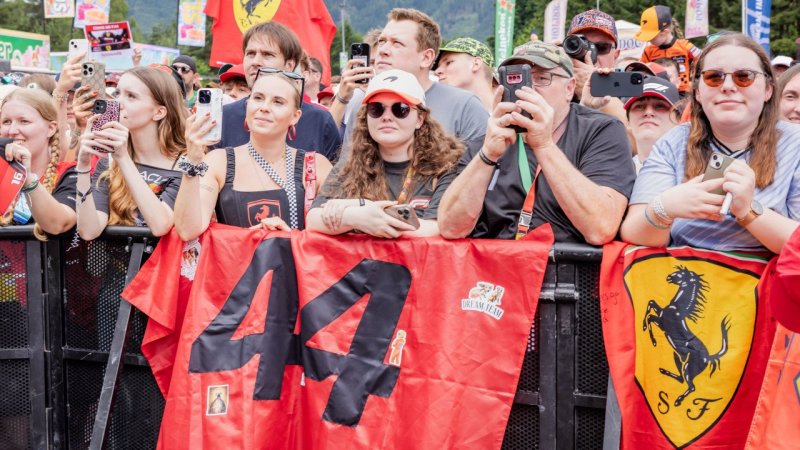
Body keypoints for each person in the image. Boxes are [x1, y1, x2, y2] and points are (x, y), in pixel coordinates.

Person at [437, 42, 636, 244]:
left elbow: (601, 228)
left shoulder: (601, 130)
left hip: (565, 271)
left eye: (541, 78)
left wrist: (544, 145)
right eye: (517, 78)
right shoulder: (490, 138)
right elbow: (451, 227)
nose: (527, 89)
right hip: (494, 270)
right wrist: (487, 156)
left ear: (569, 89)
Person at [620, 34, 800, 254]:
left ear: (768, 90)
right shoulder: (674, 142)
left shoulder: (795, 144)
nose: (727, 86)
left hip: (765, 284)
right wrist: (664, 208)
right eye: (714, 77)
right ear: (697, 92)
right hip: (684, 280)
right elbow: (632, 231)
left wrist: (748, 211)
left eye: (744, 77)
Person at [174, 68, 332, 240]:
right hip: (235, 265)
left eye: (278, 102)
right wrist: (192, 160)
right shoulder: (218, 161)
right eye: (258, 98)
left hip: (296, 265)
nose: (264, 107)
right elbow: (187, 230)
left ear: (295, 116)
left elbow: (334, 240)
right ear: (247, 105)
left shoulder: (316, 166)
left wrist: (293, 239)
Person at [306, 70, 462, 238]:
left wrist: (366, 216)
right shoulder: (350, 165)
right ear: (366, 117)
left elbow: (437, 227)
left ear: (420, 119)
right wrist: (356, 216)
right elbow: (313, 220)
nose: (386, 117)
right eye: (376, 109)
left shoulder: (445, 165)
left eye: (400, 109)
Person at [332, 8, 488, 160]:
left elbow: (481, 176)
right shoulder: (364, 103)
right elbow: (348, 173)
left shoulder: (465, 106)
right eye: (382, 41)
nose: (382, 50)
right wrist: (341, 99)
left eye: (397, 43)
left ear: (426, 58)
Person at [76, 66, 186, 240]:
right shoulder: (109, 161)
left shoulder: (184, 165)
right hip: (114, 266)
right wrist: (82, 166)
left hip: (158, 265)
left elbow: (160, 225)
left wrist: (123, 157)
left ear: (159, 112)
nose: (118, 102)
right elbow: (89, 231)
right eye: (118, 93)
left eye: (131, 96)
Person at [213, 22, 342, 163]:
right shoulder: (222, 117)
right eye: (250, 54)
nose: (256, 61)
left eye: (267, 55)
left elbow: (335, 181)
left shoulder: (320, 122)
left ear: (289, 65)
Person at [1, 88, 77, 237]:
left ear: (50, 129)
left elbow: (58, 224)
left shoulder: (70, 174)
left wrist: (27, 177)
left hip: (48, 259)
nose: (12, 130)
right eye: (6, 122)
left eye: (24, 121)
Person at [636, 5, 702, 95]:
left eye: (652, 37)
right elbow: (640, 71)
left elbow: (704, 60)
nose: (649, 40)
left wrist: (695, 82)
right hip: (658, 93)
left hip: (682, 94)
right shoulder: (648, 51)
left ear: (665, 32)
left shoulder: (685, 46)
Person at [624, 76, 680, 173]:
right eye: (639, 106)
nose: (648, 112)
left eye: (660, 106)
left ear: (678, 119)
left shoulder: (694, 168)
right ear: (628, 121)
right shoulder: (616, 173)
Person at [433, 37, 495, 111]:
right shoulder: (437, 117)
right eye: (438, 66)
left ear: (476, 64)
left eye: (448, 63)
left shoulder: (510, 114)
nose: (437, 72)